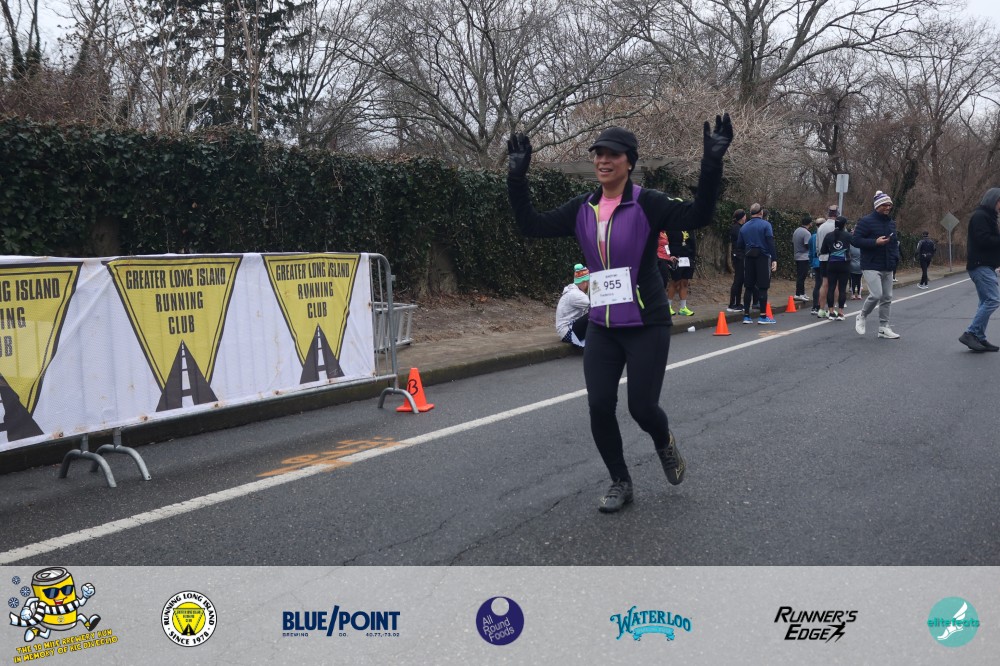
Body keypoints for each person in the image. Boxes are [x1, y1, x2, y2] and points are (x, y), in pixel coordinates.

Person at [506, 116, 733, 512]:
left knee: (641, 408)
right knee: (599, 405)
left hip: (647, 323)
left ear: (630, 161)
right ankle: (620, 481)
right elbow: (530, 225)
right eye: (598, 154)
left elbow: (699, 216)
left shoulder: (649, 203)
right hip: (603, 324)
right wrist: (516, 177)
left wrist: (711, 163)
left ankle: (664, 441)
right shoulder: (582, 208)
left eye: (612, 154)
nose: (603, 160)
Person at [852, 190, 901, 339]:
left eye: (889, 205)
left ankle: (883, 328)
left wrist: (895, 259)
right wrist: (875, 242)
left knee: (887, 297)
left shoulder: (891, 223)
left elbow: (894, 243)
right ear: (877, 206)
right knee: (876, 294)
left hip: (887, 265)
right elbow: (855, 240)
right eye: (885, 205)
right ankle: (862, 316)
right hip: (871, 264)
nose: (888, 207)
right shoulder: (866, 221)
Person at [958, 187, 1000, 352]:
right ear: (993, 200)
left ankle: (979, 337)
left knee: (985, 301)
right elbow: (983, 240)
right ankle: (970, 333)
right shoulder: (980, 216)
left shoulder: (988, 216)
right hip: (980, 265)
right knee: (993, 300)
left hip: (985, 265)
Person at [737, 203, 777, 324]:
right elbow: (770, 242)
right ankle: (763, 317)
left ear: (750, 213)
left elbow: (739, 245)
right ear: (761, 213)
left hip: (749, 257)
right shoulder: (766, 225)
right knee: (763, 287)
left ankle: (746, 316)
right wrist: (774, 259)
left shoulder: (744, 227)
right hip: (763, 257)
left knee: (748, 287)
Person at [820, 216, 852, 320]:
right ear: (844, 225)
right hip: (844, 264)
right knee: (842, 288)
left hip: (832, 263)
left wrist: (832, 249)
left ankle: (831, 312)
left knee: (831, 287)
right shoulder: (848, 235)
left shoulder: (829, 235)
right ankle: (840, 313)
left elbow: (823, 250)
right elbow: (856, 244)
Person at [556, 264, 591, 347]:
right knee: (593, 314)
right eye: (589, 282)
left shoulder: (574, 292)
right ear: (584, 282)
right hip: (568, 331)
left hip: (567, 329)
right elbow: (596, 305)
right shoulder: (576, 295)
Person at [815, 204, 839, 317]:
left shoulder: (821, 227)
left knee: (824, 283)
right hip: (835, 257)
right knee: (835, 284)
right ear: (837, 214)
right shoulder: (837, 227)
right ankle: (831, 309)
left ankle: (821, 309)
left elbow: (817, 245)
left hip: (823, 258)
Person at [668, 230, 697, 315]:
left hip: (688, 259)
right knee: (675, 282)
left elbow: (693, 243)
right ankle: (668, 307)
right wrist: (669, 255)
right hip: (676, 258)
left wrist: (693, 258)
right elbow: (667, 243)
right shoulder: (672, 228)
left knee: (684, 283)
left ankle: (683, 308)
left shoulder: (690, 229)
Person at [727, 209, 747, 312]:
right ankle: (732, 304)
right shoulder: (736, 228)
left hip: (740, 255)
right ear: (742, 217)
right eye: (745, 216)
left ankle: (738, 303)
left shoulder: (739, 227)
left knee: (740, 279)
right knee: (738, 279)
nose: (746, 217)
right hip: (739, 256)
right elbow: (741, 243)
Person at [792, 215, 812, 301]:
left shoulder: (797, 230)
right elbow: (807, 245)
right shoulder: (806, 233)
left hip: (797, 255)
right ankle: (798, 294)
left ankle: (802, 293)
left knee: (801, 276)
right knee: (802, 276)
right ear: (809, 223)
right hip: (804, 257)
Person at [809, 217, 823, 314]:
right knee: (824, 285)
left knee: (817, 284)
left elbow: (810, 252)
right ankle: (820, 306)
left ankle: (814, 306)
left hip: (815, 262)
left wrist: (811, 263)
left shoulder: (812, 237)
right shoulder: (825, 235)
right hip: (823, 261)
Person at [848, 227, 863, 299]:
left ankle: (853, 294)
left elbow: (849, 256)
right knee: (859, 281)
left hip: (852, 265)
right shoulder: (861, 246)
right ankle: (859, 295)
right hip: (860, 265)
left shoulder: (850, 246)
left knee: (853, 281)